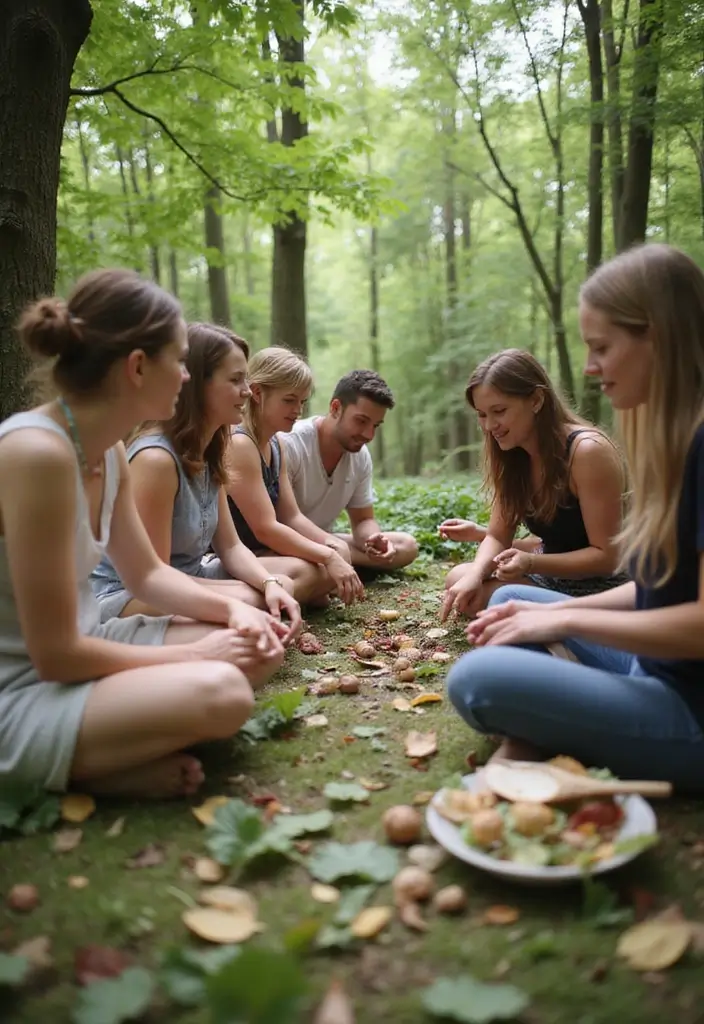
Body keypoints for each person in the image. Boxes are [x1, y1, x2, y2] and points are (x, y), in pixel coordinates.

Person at [0, 269, 285, 800]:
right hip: (22, 685)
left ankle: (100, 750)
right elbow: (55, 654)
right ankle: (88, 770)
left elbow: (148, 575)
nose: (184, 376)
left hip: (85, 650)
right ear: (136, 367)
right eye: (178, 360)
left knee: (258, 648)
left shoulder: (107, 449)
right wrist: (196, 656)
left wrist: (235, 612)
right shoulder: (36, 454)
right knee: (223, 689)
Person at [447, 243, 704, 790]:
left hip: (689, 711)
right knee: (510, 603)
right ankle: (556, 719)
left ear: (657, 336)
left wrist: (565, 619)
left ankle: (546, 726)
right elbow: (663, 589)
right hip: (652, 663)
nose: (589, 368)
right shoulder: (678, 442)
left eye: (602, 347)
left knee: (475, 680)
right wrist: (534, 609)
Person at [91, 322, 307, 634]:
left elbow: (231, 548)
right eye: (235, 380)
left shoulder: (211, 449)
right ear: (196, 385)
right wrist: (244, 597)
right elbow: (155, 576)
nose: (248, 391)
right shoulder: (156, 460)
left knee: (282, 581)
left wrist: (269, 583)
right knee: (251, 599)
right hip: (129, 594)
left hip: (191, 574)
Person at [439, 349, 627, 622]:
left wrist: (531, 562)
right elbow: (497, 536)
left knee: (492, 596)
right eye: (482, 415)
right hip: (551, 576)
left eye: (499, 411)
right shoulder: (513, 454)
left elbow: (608, 557)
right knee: (460, 579)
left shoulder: (587, 452)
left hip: (601, 587)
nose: (490, 426)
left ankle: (575, 630)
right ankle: (550, 623)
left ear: (537, 399)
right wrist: (475, 575)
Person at [226, 347, 364, 606]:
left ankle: (296, 595)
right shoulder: (240, 444)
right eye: (289, 400)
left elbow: (291, 516)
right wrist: (327, 556)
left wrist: (332, 546)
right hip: (240, 556)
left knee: (337, 555)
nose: (298, 410)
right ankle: (266, 601)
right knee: (314, 569)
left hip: (267, 552)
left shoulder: (277, 442)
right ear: (257, 393)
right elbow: (266, 528)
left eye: (302, 401)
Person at [280, 370, 419, 570]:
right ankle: (323, 568)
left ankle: (328, 568)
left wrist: (372, 540)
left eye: (376, 425)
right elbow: (283, 522)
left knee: (405, 546)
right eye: (361, 421)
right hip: (286, 543)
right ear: (336, 408)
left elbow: (363, 519)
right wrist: (330, 549)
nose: (369, 434)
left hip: (326, 542)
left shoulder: (360, 455)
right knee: (308, 564)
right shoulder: (290, 444)